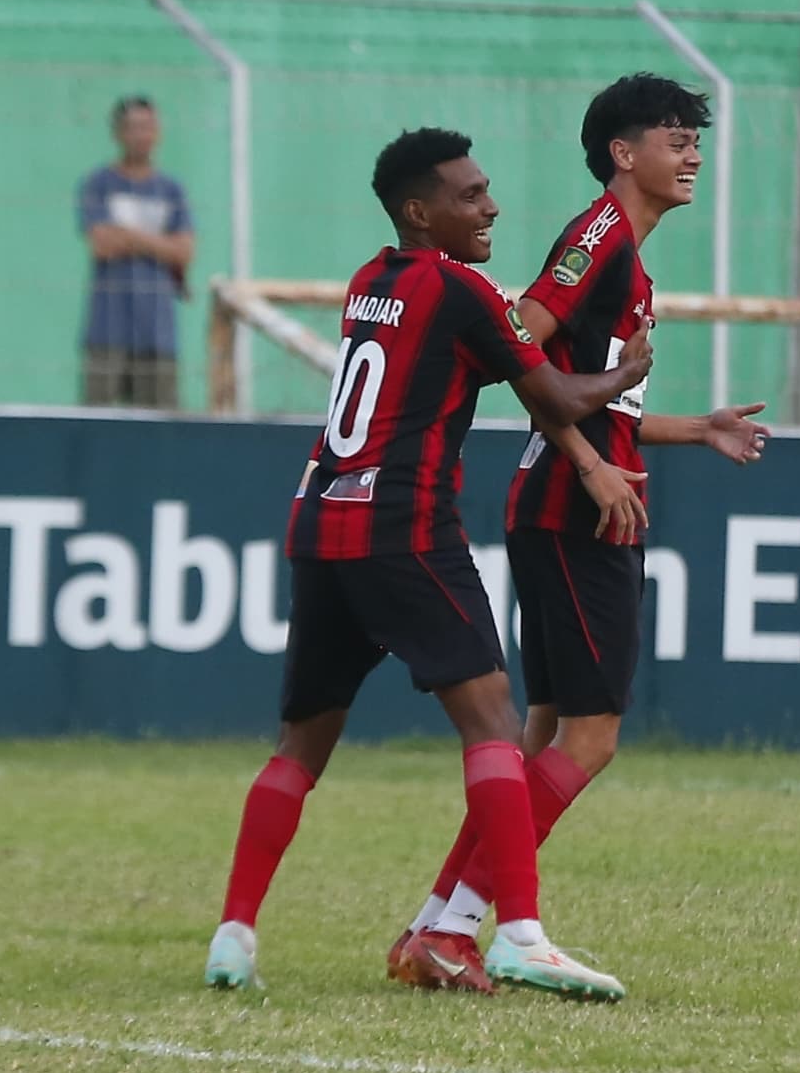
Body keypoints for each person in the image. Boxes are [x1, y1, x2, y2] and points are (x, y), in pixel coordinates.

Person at [206, 126, 650, 1001]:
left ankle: (234, 936)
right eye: (470, 196)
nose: (490, 208)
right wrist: (623, 372)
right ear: (421, 211)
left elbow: (452, 372)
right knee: (493, 722)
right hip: (404, 526)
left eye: (486, 191)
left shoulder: (370, 282)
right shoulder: (462, 291)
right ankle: (517, 931)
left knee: (300, 746)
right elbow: (555, 395)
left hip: (321, 518)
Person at [389, 74, 769, 996]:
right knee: (590, 738)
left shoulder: (626, 258)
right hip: (575, 511)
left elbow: (591, 395)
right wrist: (593, 464)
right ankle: (483, 927)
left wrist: (690, 428)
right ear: (621, 154)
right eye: (674, 138)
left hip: (565, 501)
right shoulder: (599, 237)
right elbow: (517, 342)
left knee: (543, 736)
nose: (692, 155)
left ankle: (437, 927)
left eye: (694, 139)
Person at [79, 96, 196, 409]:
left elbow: (184, 252)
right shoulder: (98, 184)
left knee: (161, 427)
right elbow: (102, 244)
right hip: (107, 329)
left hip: (157, 331)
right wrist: (160, 243)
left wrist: (126, 235)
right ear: (118, 133)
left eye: (148, 127)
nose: (141, 135)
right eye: (133, 127)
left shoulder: (171, 189)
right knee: (98, 422)